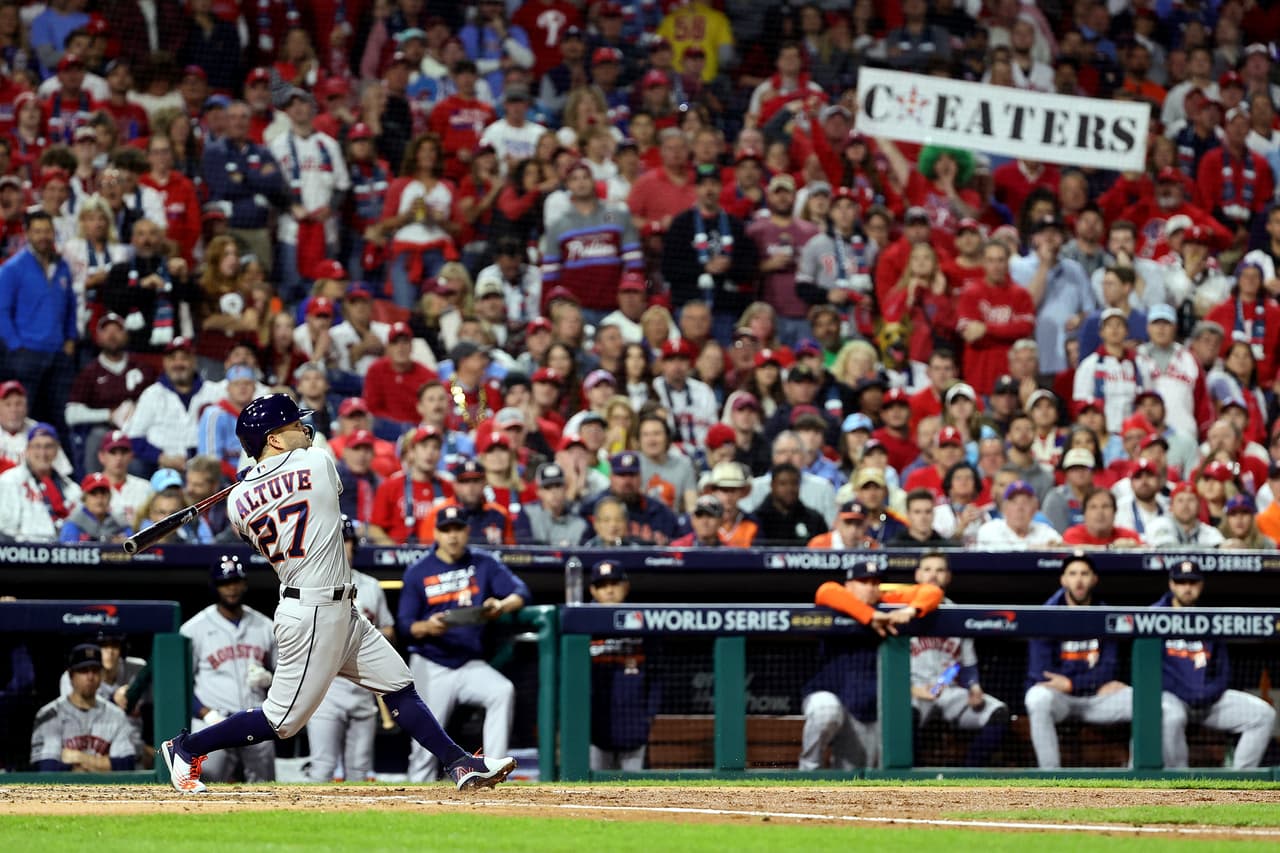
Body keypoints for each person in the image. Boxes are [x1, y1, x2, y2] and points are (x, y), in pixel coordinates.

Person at [159, 394, 517, 794]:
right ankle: (187, 748)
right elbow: (309, 475)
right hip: (312, 610)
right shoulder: (318, 462)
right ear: (273, 439)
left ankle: (460, 764)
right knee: (282, 720)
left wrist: (256, 478)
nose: (304, 430)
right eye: (294, 425)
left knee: (398, 684)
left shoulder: (237, 503)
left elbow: (263, 508)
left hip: (338, 606)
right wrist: (269, 474)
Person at [398, 503, 529, 783]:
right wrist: (428, 626)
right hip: (430, 662)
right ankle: (415, 792)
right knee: (424, 744)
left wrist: (501, 605)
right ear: (436, 533)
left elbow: (521, 592)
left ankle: (492, 770)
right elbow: (405, 626)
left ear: (467, 531)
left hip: (469, 663)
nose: (453, 536)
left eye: (458, 528)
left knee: (501, 691)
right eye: (446, 530)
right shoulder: (418, 571)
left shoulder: (483, 562)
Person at [800, 560, 943, 769]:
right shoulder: (837, 600)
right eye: (863, 582)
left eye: (875, 583)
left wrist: (911, 611)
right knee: (825, 712)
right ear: (849, 585)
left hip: (867, 709)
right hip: (830, 695)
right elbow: (826, 590)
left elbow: (931, 591)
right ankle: (807, 771)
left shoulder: (887, 603)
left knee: (854, 777)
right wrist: (871, 616)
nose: (870, 587)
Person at [1156, 560, 1277, 769]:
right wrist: (1188, 692)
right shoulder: (1154, 615)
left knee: (1263, 714)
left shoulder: (1210, 619)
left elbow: (1223, 671)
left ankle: (1241, 782)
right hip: (1172, 698)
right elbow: (1151, 671)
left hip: (1208, 701)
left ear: (1201, 585)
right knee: (1169, 717)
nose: (1187, 588)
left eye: (1192, 583)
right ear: (1172, 585)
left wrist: (1208, 693)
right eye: (1181, 582)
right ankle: (1177, 783)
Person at [306, 516, 396, 783]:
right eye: (336, 541)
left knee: (359, 771)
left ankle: (356, 824)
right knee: (322, 768)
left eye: (345, 540)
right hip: (327, 687)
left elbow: (389, 630)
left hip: (363, 686)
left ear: (354, 545)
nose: (342, 546)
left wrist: (364, 636)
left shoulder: (371, 586)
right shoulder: (312, 585)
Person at [1024, 552, 1133, 769]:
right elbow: (1041, 672)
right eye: (1072, 574)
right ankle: (1050, 775)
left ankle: (1136, 775)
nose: (1079, 579)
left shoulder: (1106, 615)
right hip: (1060, 699)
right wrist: (1083, 683)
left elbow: (1109, 669)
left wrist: (1073, 683)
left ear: (1094, 579)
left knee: (1141, 701)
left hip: (1096, 698)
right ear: (1063, 580)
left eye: (1084, 573)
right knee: (1037, 698)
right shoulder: (1045, 614)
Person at [180, 555, 277, 783]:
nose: (231, 588)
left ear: (244, 583)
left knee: (265, 788)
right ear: (215, 587)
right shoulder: (193, 629)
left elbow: (286, 673)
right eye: (224, 583)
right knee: (210, 783)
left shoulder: (266, 626)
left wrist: (270, 679)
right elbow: (180, 682)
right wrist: (204, 712)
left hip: (257, 719)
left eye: (235, 581)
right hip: (213, 719)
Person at [910, 552, 1009, 766]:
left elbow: (966, 665)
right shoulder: (904, 611)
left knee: (998, 713)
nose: (933, 575)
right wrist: (911, 689)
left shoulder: (958, 614)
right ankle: (912, 779)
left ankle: (968, 775)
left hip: (947, 690)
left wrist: (973, 687)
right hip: (912, 690)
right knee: (907, 715)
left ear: (948, 577)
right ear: (917, 575)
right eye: (927, 569)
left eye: (939, 570)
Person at [0, 211, 76, 431]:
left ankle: (63, 464)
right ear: (27, 233)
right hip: (26, 355)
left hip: (59, 355)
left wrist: (70, 338)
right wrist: (16, 346)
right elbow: (2, 311)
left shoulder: (62, 266)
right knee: (25, 416)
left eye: (47, 231)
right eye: (38, 231)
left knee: (61, 416)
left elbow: (71, 305)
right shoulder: (12, 268)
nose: (43, 236)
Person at [587, 559, 659, 770]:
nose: (609, 590)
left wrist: (650, 715)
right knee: (592, 793)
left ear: (625, 587)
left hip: (634, 725)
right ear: (593, 590)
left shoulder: (643, 624)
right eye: (602, 585)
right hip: (595, 728)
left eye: (614, 584)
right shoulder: (583, 626)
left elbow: (656, 676)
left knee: (636, 791)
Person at [30, 644, 135, 772]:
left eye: (95, 670)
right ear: (71, 676)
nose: (90, 677)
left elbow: (126, 765)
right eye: (84, 670)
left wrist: (78, 758)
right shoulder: (50, 714)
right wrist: (103, 765)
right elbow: (47, 768)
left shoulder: (116, 715)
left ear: (101, 675)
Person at [0, 422, 81, 542]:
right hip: (22, 552)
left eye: (48, 446)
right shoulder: (10, 481)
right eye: (37, 446)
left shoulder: (72, 489)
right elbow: (5, 528)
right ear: (27, 450)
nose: (42, 453)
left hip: (63, 553)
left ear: (57, 450)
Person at [515, 462, 589, 546]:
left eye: (558, 486)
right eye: (547, 487)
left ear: (565, 489)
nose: (554, 492)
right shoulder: (527, 514)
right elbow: (524, 551)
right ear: (539, 492)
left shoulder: (579, 522)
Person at [754, 462, 827, 545]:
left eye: (794, 483)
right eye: (783, 484)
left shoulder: (815, 519)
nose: (789, 489)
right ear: (772, 485)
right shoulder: (757, 520)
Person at [975, 480, 1061, 548]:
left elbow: (1061, 548)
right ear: (1004, 509)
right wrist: (1036, 548)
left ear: (1035, 509)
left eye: (1025, 502)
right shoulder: (990, 529)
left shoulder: (1045, 531)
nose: (1020, 508)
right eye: (1014, 502)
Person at [1146, 482, 1225, 548]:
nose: (1185, 506)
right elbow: (1166, 549)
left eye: (1191, 500)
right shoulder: (1159, 524)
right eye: (1180, 500)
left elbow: (1221, 548)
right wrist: (1212, 548)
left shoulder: (1210, 532)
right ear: (1171, 507)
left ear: (1199, 506)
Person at [59, 472, 130, 542]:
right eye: (93, 493)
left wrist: (122, 546)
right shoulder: (73, 524)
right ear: (84, 498)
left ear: (110, 497)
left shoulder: (119, 523)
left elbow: (135, 549)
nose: (100, 498)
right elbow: (68, 551)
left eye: (103, 493)